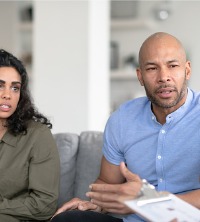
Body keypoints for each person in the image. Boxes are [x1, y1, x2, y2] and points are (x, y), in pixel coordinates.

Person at [52, 32, 200, 222]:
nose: (164, 77)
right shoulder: (123, 119)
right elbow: (108, 182)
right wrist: (94, 204)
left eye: (172, 66)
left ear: (187, 70)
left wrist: (150, 201)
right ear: (140, 76)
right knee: (68, 220)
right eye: (152, 68)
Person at [0, 49, 60, 222]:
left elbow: (45, 205)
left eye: (15, 88)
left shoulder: (37, 136)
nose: (7, 95)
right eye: (0, 85)